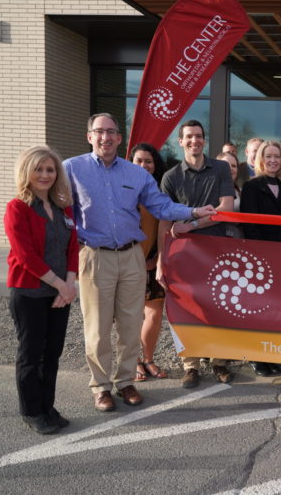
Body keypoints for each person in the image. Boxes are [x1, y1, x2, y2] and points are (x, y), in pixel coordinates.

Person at [63, 113, 215, 412]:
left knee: (132, 324)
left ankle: (125, 381)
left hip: (131, 256)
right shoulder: (71, 169)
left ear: (120, 139)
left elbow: (161, 206)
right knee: (97, 328)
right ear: (89, 136)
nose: (106, 137)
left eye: (112, 132)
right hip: (94, 257)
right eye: (100, 132)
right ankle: (101, 387)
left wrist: (195, 212)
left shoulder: (137, 175)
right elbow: (58, 206)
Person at [5, 146, 78, 434]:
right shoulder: (17, 208)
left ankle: (48, 406)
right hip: (30, 293)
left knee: (53, 354)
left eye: (50, 169)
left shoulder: (64, 207)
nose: (45, 175)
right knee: (31, 355)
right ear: (27, 172)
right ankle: (32, 411)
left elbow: (73, 248)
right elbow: (25, 256)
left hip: (61, 293)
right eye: (39, 169)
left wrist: (69, 284)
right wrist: (62, 285)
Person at [158, 119, 236, 389]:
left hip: (216, 252)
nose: (195, 141)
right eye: (189, 137)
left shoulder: (222, 168)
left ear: (205, 140)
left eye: (199, 136)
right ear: (180, 142)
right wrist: (160, 262)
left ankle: (220, 362)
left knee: (219, 306)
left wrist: (190, 225)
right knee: (185, 310)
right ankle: (190, 365)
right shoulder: (170, 177)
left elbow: (226, 209)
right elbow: (164, 222)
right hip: (182, 257)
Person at [241, 140, 281, 376]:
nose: (273, 160)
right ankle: (255, 356)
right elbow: (249, 226)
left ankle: (269, 354)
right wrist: (259, 256)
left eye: (277, 156)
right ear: (260, 159)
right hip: (259, 258)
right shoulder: (252, 186)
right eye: (268, 156)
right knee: (257, 309)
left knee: (274, 310)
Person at [129, 143, 168, 383]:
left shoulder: (159, 193)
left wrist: (157, 258)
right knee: (130, 317)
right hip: (127, 264)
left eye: (149, 161)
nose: (144, 165)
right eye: (139, 161)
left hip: (153, 263)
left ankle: (148, 358)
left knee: (154, 316)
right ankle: (132, 362)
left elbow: (164, 226)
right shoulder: (122, 190)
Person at [216, 151, 243, 238]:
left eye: (234, 166)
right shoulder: (208, 189)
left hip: (237, 242)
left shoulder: (242, 192)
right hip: (214, 240)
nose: (230, 168)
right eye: (226, 165)